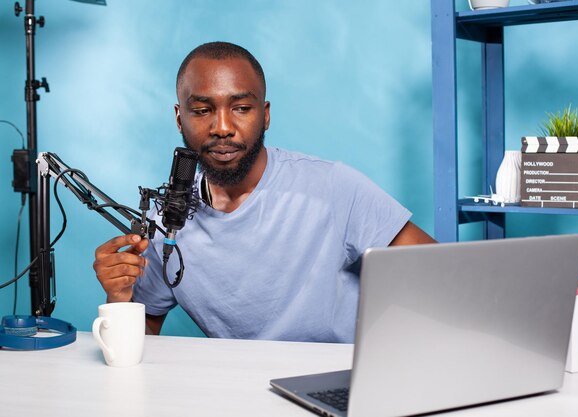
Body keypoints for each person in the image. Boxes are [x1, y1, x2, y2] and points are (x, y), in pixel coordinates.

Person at [93, 41, 435, 343]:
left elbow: (440, 275)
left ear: (265, 115)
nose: (223, 128)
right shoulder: (167, 223)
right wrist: (119, 299)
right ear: (179, 118)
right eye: (202, 110)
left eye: (241, 108)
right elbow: (145, 337)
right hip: (240, 391)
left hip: (339, 385)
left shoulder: (332, 187)